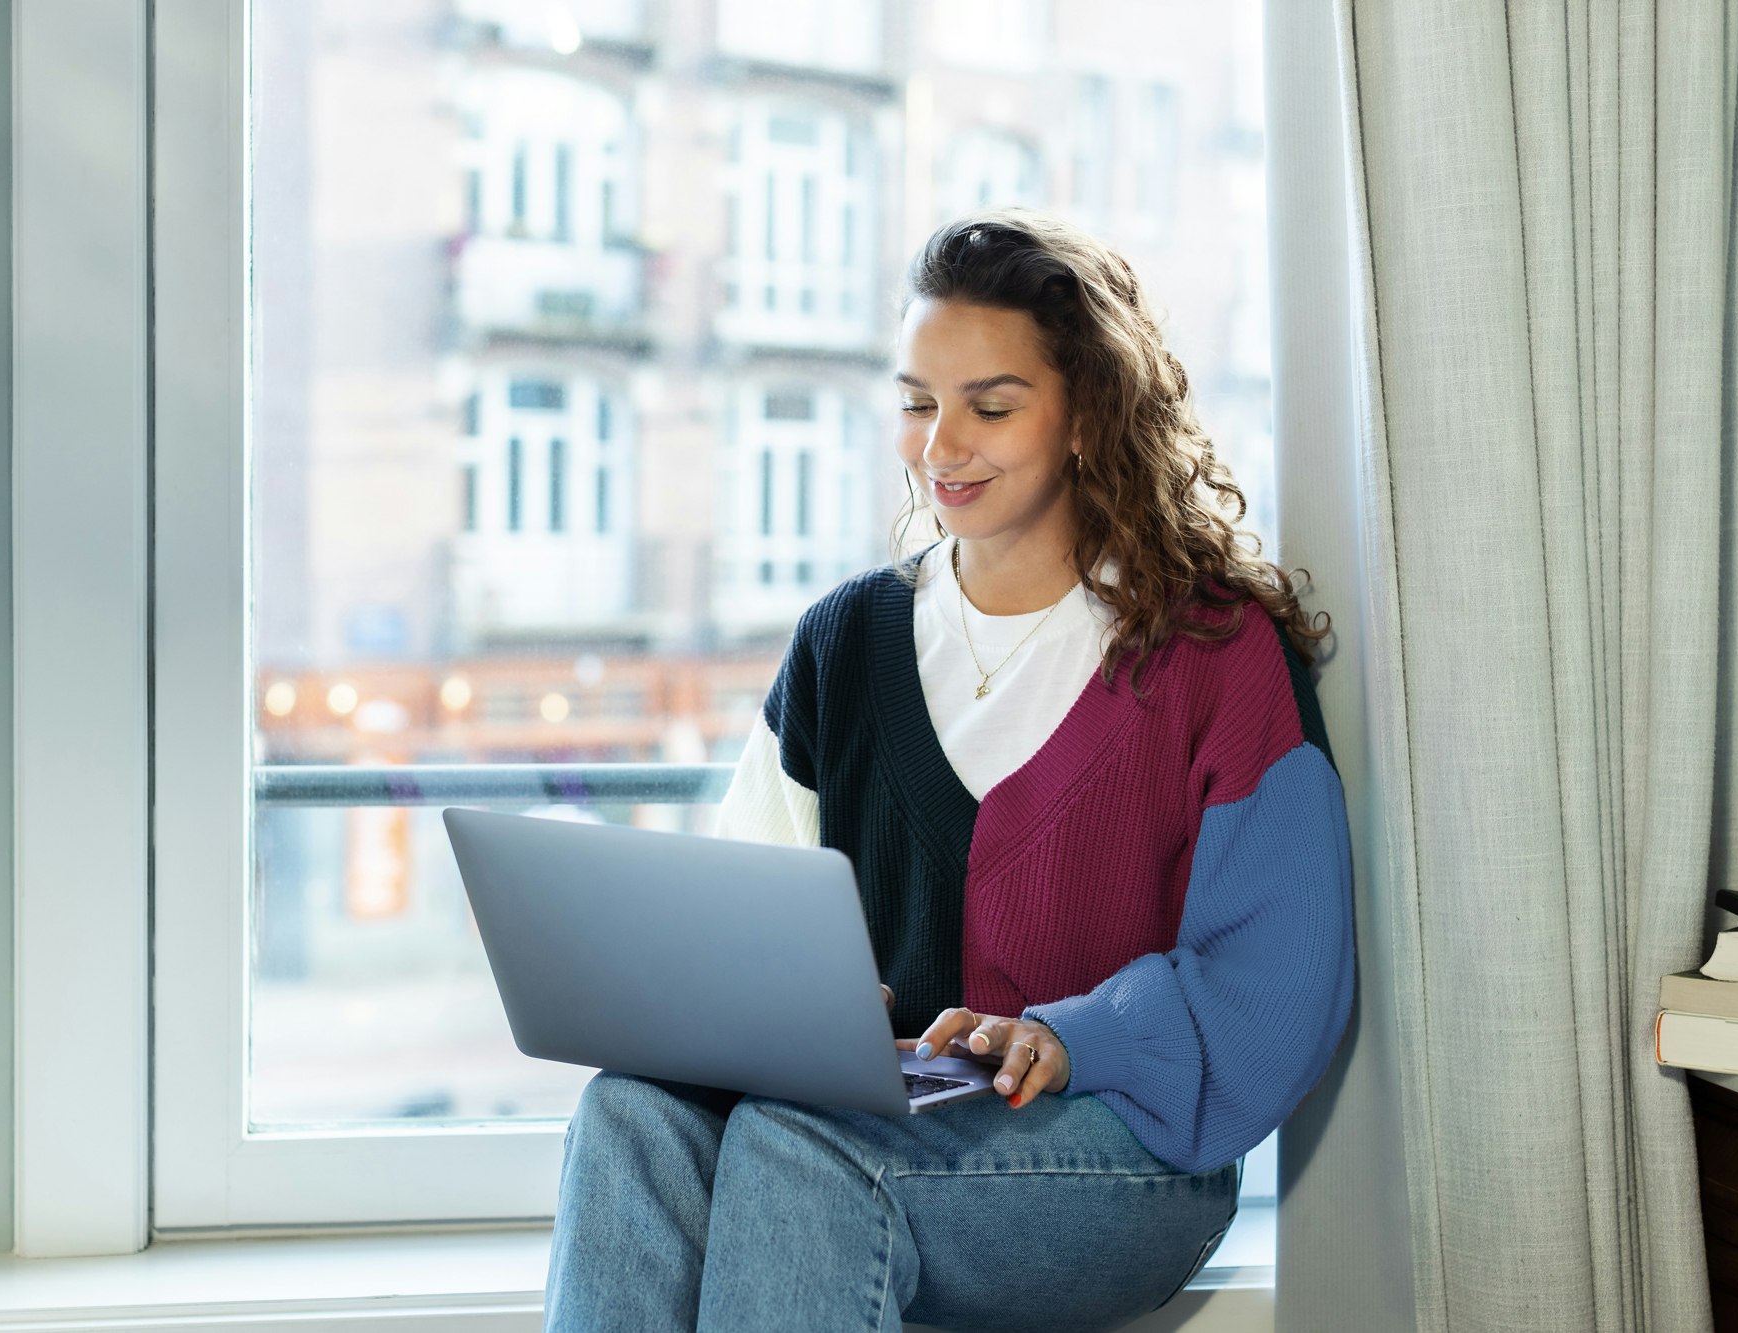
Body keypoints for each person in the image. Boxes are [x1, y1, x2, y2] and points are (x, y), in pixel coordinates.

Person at [542, 210, 1355, 1333]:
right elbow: (743, 908)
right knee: (629, 1115)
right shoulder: (843, 640)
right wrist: (793, 1003)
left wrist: (1075, 1035)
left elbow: (1277, 977)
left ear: (1084, 415)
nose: (939, 444)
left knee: (796, 1152)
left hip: (1122, 1156)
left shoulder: (1209, 653)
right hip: (871, 1114)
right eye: (918, 401)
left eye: (990, 404)